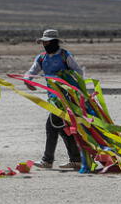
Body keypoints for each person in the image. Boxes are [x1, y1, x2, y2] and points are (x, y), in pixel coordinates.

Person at [24, 29, 83, 170]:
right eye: (43, 42)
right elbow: (32, 72)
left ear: (54, 42)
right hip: (52, 98)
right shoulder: (41, 58)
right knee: (62, 128)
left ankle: (47, 160)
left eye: (47, 41)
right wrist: (28, 81)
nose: (45, 44)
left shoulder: (65, 56)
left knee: (51, 126)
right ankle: (75, 160)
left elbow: (78, 72)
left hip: (67, 99)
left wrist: (68, 80)